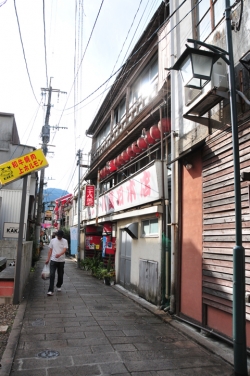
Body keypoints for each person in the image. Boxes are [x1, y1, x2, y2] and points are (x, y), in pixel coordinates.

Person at [45, 230, 68, 296]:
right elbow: (50, 250)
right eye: (58, 236)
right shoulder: (52, 241)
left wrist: (60, 254)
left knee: (60, 275)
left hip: (61, 261)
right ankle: (50, 290)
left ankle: (59, 285)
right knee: (52, 274)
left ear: (62, 236)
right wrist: (48, 259)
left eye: (60, 236)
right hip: (53, 260)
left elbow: (64, 250)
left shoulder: (65, 241)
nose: (59, 237)